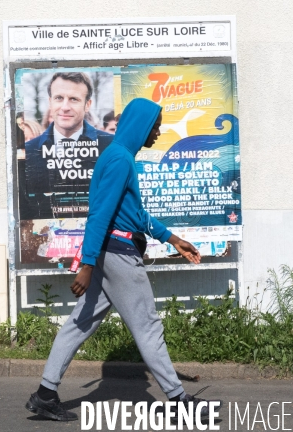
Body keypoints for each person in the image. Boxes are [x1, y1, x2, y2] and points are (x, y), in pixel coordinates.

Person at [25, 98, 222, 422]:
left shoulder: (119, 157)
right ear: (139, 125)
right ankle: (178, 401)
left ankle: (45, 394)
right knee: (147, 326)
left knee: (79, 324)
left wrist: (172, 238)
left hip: (109, 253)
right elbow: (100, 215)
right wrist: (86, 265)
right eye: (154, 126)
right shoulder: (119, 159)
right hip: (117, 255)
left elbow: (134, 215)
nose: (157, 133)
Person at [19, 72, 113, 219]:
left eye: (74, 99)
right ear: (50, 102)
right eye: (59, 98)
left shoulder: (111, 146)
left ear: (87, 105)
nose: (65, 107)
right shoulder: (30, 151)